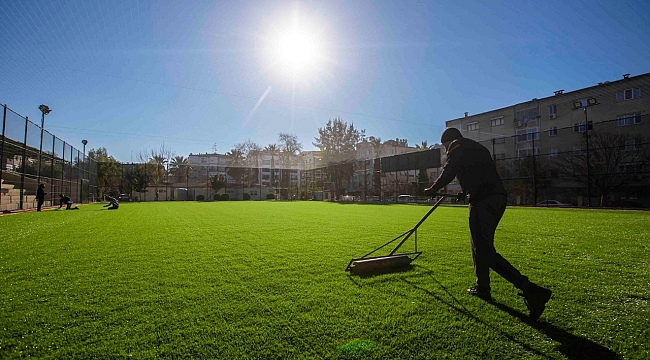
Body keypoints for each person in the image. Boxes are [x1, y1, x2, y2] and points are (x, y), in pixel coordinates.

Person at [424, 127, 552, 320]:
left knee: (483, 250)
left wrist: (433, 188)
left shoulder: (457, 147)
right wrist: (465, 192)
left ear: (448, 142)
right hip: (497, 198)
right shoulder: (477, 147)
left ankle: (531, 290)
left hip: (482, 201)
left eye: (444, 147)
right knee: (480, 246)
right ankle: (482, 287)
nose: (446, 150)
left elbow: (449, 170)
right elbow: (478, 173)